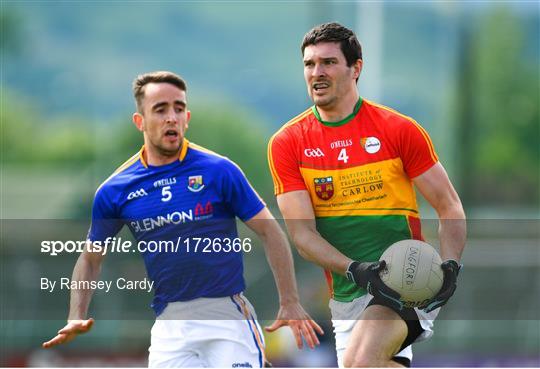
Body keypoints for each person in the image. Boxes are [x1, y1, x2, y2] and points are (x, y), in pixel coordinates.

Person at [43, 71, 323, 367]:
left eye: (178, 108)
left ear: (187, 117)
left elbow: (270, 231)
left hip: (226, 315)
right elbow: (90, 258)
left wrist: (289, 300)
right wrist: (76, 315)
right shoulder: (115, 190)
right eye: (160, 109)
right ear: (140, 121)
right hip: (170, 323)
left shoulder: (219, 171)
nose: (171, 117)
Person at [267, 22, 466, 367]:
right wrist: (356, 270)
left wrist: (449, 266)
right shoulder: (288, 143)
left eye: (328, 62)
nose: (317, 72)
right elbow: (302, 235)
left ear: (355, 68)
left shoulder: (398, 130)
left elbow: (448, 204)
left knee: (361, 362)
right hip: (347, 294)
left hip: (404, 280)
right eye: (309, 64)